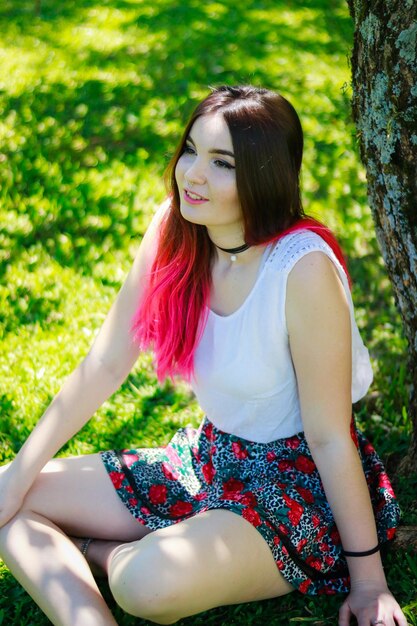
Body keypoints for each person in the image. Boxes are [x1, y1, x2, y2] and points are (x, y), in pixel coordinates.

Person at [0, 85, 406, 626]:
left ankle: (100, 553)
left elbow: (330, 435)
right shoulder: (177, 229)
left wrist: (370, 583)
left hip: (292, 487)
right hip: (208, 461)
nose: (191, 174)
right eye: (191, 150)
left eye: (221, 162)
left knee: (142, 582)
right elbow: (104, 363)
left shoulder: (301, 268)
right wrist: (19, 475)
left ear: (264, 175)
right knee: (12, 494)